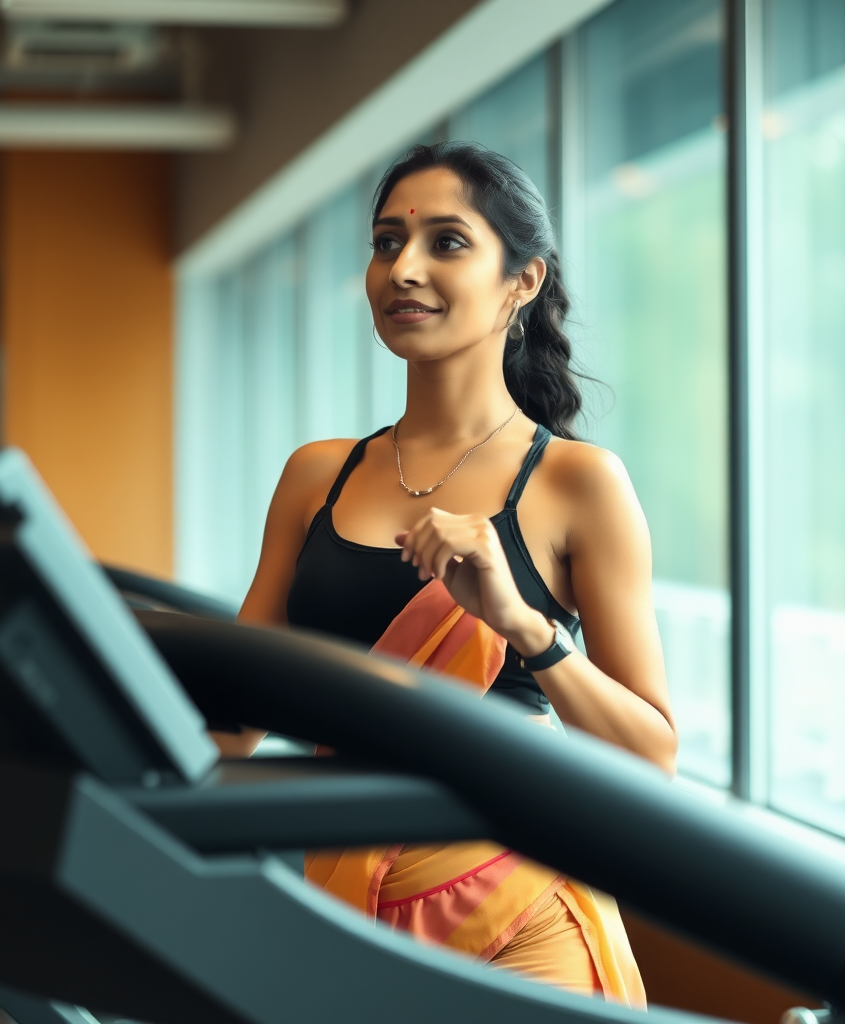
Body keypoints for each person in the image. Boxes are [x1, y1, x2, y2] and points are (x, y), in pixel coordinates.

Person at [231, 141, 676, 1002]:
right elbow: (234, 715)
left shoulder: (579, 484)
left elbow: (650, 758)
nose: (403, 269)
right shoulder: (315, 475)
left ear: (524, 282)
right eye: (386, 241)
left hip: (520, 915)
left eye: (446, 241)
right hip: (342, 900)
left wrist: (524, 624)